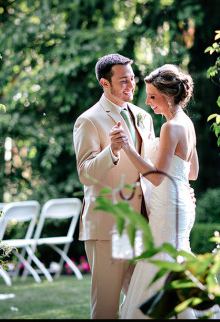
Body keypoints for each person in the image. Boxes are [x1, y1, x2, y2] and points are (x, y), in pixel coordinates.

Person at [110, 64, 220, 319]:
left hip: (168, 207)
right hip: (181, 203)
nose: (149, 102)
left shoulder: (170, 127)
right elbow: (191, 173)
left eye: (153, 96)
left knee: (162, 259)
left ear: (169, 96)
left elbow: (158, 177)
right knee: (178, 257)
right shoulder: (187, 124)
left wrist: (128, 148)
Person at [73, 53, 156, 319]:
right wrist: (112, 150)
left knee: (141, 301)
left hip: (142, 223)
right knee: (106, 307)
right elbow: (85, 174)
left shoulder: (144, 117)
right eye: (123, 81)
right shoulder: (89, 120)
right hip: (108, 225)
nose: (130, 85)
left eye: (132, 79)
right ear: (105, 83)